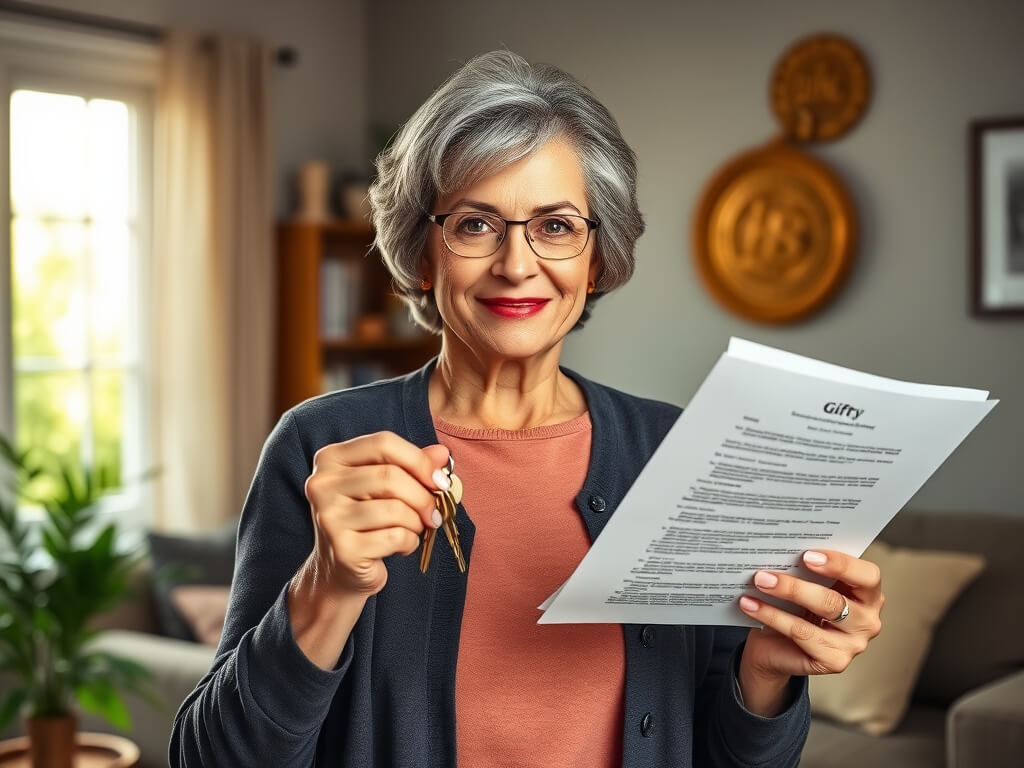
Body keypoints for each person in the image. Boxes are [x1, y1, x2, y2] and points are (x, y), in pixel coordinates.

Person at [170, 50, 884, 768]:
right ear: (423, 254)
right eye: (475, 225)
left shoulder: (677, 450)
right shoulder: (318, 445)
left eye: (557, 226)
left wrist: (764, 675)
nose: (516, 265)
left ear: (597, 259)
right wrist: (325, 588)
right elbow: (210, 759)